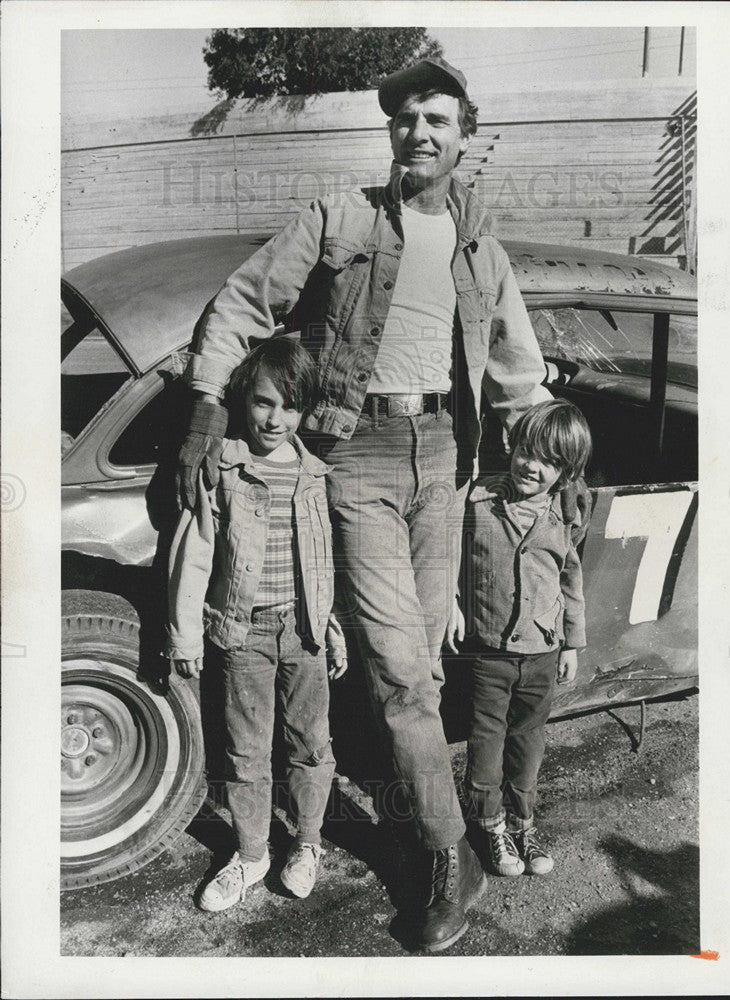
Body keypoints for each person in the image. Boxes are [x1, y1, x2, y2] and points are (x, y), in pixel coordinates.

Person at [177, 57, 552, 950]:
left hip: (446, 461)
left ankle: (437, 815)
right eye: (404, 119)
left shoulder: (480, 249)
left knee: (418, 670)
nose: (418, 133)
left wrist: (553, 444)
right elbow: (243, 301)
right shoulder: (337, 218)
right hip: (360, 456)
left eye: (436, 119)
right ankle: (441, 855)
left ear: (466, 136)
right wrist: (203, 407)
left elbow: (518, 373)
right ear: (389, 133)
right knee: (397, 671)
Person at [166, 339, 347, 911]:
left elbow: (319, 560)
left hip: (305, 633)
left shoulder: (314, 473)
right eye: (265, 403)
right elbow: (195, 551)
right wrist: (185, 633)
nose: (276, 419)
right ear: (246, 399)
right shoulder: (224, 467)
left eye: (290, 408)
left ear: (306, 411)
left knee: (311, 743)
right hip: (243, 635)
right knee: (246, 750)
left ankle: (309, 843)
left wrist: (330, 622)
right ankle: (250, 853)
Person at [449, 399, 592, 879]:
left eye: (549, 461)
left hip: (542, 652)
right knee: (486, 738)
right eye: (527, 451)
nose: (532, 465)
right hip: (489, 651)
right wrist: (451, 601)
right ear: (512, 446)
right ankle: (489, 824)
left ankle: (523, 822)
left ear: (566, 471)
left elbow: (570, 578)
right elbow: (450, 556)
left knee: (528, 740)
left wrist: (572, 642)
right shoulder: (478, 501)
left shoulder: (564, 516)